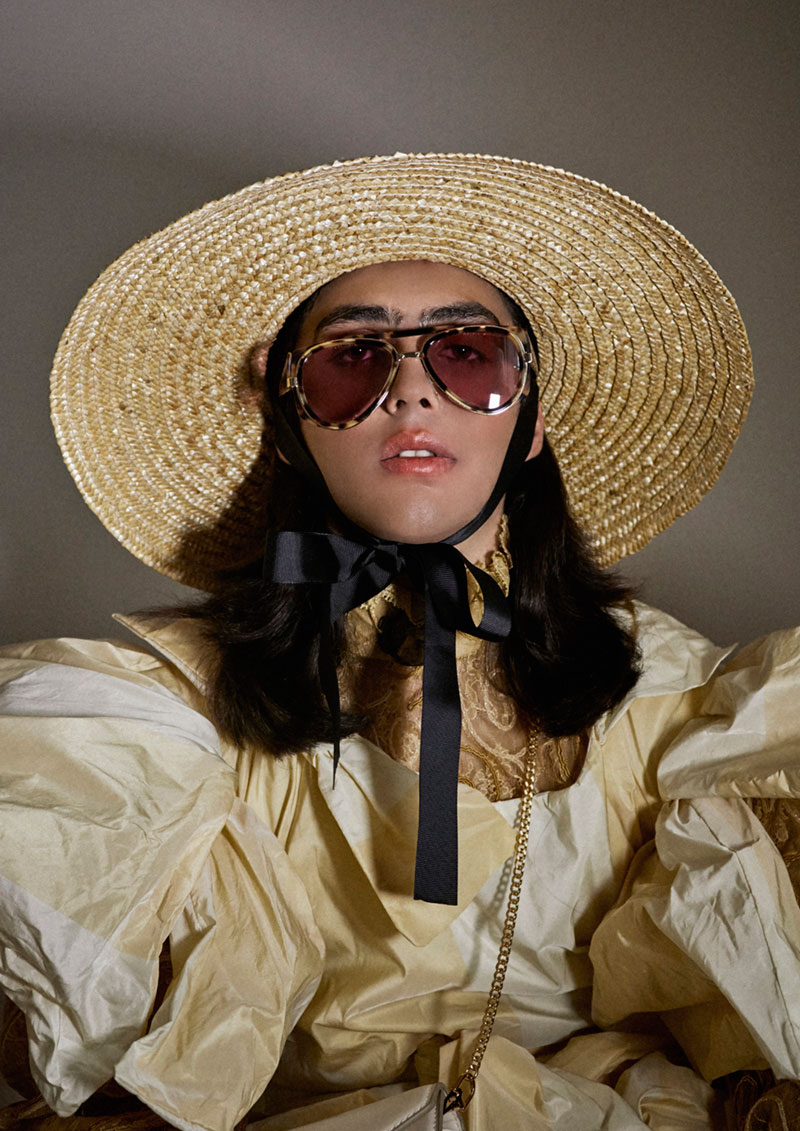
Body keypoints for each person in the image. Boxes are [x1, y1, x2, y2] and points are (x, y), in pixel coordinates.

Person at [0, 154, 798, 1130]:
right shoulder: (160, 710)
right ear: (288, 422)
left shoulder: (677, 702)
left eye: (468, 355)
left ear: (532, 422)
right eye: (351, 360)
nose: (411, 392)